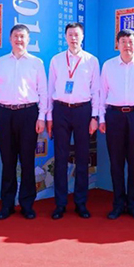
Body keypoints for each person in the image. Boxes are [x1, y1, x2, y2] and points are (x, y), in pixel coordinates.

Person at [0, 24, 47, 220]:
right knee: (8, 162)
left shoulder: (36, 62)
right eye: (16, 36)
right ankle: (7, 205)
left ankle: (27, 204)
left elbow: (43, 91)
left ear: (28, 40)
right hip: (5, 114)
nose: (19, 40)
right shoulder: (0, 62)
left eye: (22, 37)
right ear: (10, 39)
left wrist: (41, 117)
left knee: (28, 161)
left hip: (28, 114)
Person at [99, 29, 134, 220]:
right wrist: (102, 118)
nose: (127, 45)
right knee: (116, 162)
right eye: (123, 41)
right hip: (114, 116)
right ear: (117, 45)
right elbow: (102, 93)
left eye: (130, 41)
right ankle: (117, 204)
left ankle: (133, 205)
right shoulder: (108, 65)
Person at [46, 22, 100, 220]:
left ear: (82, 37)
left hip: (83, 111)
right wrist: (49, 116)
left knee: (82, 158)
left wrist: (94, 117)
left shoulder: (91, 60)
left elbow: (96, 91)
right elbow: (50, 89)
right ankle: (60, 204)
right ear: (65, 37)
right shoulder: (56, 60)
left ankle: (80, 203)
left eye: (77, 34)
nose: (73, 38)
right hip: (60, 110)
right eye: (70, 34)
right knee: (60, 158)